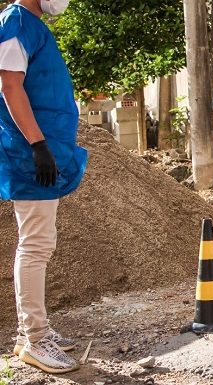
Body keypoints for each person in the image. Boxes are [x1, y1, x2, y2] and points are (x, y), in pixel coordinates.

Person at [0, 0, 87, 374]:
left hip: (38, 148)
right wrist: (37, 145)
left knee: (39, 241)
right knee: (35, 244)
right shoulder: (16, 19)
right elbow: (9, 84)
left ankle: (32, 333)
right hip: (27, 153)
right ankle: (34, 338)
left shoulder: (31, 24)